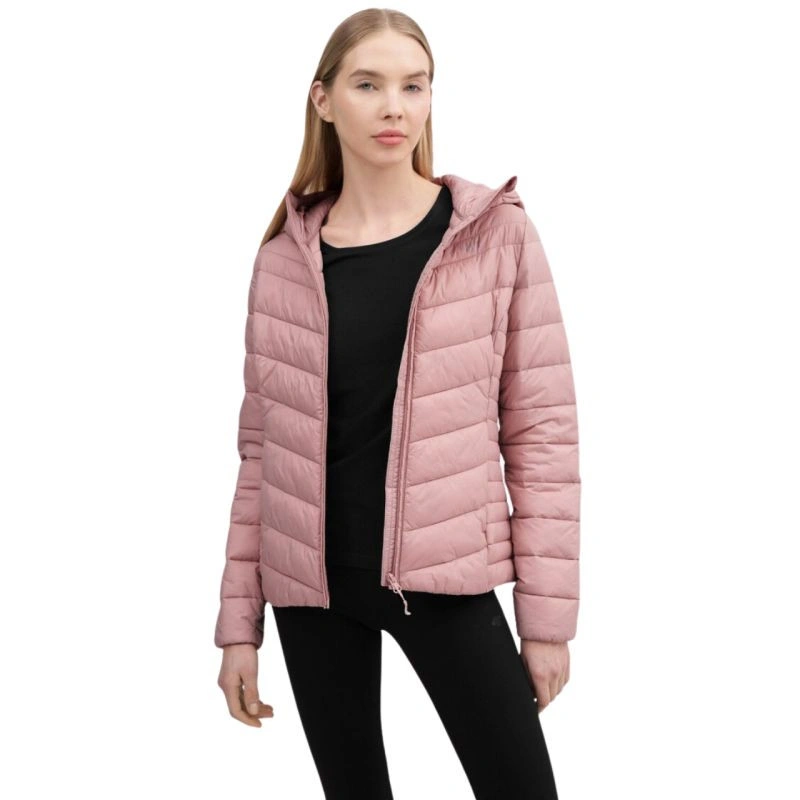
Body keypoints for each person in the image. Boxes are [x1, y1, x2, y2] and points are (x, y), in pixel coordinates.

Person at [214, 8, 581, 799]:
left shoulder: (493, 236)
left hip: (445, 583)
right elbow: (260, 453)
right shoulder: (283, 259)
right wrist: (239, 627)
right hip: (311, 591)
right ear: (323, 100)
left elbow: (543, 432)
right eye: (368, 85)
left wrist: (547, 624)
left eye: (414, 86)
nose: (394, 107)